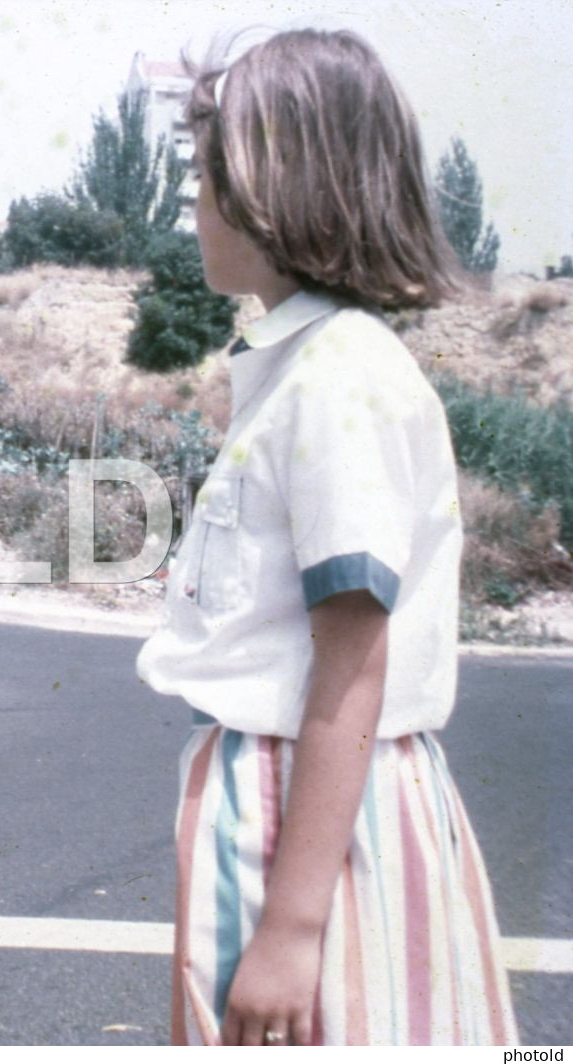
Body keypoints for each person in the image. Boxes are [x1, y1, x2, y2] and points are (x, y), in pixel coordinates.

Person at [135, 30, 517, 1046]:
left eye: (207, 176)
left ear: (276, 190)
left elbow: (350, 659)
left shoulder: (338, 375)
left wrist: (292, 927)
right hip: (297, 799)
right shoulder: (304, 363)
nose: (195, 204)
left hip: (300, 817)